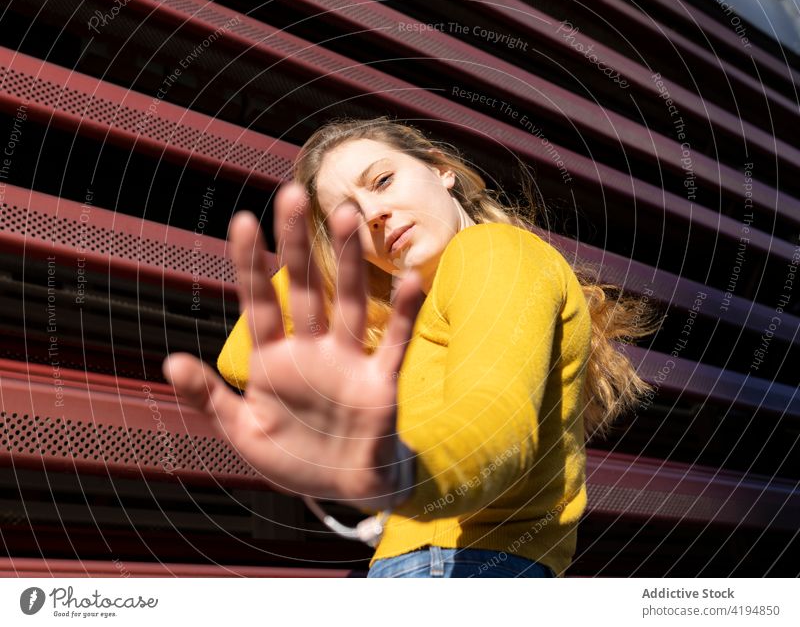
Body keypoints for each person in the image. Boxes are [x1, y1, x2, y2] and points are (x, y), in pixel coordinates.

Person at [163, 117, 660, 578]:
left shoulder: (493, 252)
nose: (375, 214)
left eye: (382, 181)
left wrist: (397, 471)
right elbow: (240, 360)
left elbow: (491, 427)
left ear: (440, 170)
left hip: (459, 567)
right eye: (349, 216)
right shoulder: (425, 308)